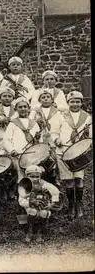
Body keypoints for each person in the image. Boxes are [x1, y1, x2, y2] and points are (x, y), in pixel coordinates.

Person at [54, 91, 92, 219]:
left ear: (81, 103)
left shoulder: (87, 117)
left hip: (79, 153)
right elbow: (53, 132)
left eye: (77, 101)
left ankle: (79, 204)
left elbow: (90, 136)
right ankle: (71, 205)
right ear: (68, 103)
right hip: (63, 151)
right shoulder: (60, 116)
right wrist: (56, 140)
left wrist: (87, 136)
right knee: (68, 180)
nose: (75, 104)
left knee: (79, 179)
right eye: (72, 101)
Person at [2, 97, 42, 187]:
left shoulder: (34, 124)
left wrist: (37, 139)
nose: (23, 109)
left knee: (32, 174)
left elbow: (39, 142)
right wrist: (12, 150)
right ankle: (21, 197)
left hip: (31, 154)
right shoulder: (13, 124)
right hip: (18, 154)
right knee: (20, 176)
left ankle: (33, 196)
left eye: (25, 107)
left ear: (29, 108)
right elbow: (6, 140)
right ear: (15, 109)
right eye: (20, 107)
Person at [18, 165, 60, 243]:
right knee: (32, 211)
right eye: (32, 176)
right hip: (29, 207)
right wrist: (30, 203)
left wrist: (52, 203)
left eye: (37, 176)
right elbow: (21, 201)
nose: (35, 179)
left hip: (42, 206)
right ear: (27, 176)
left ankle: (39, 232)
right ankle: (29, 231)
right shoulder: (24, 185)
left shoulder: (45, 184)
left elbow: (56, 192)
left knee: (44, 213)